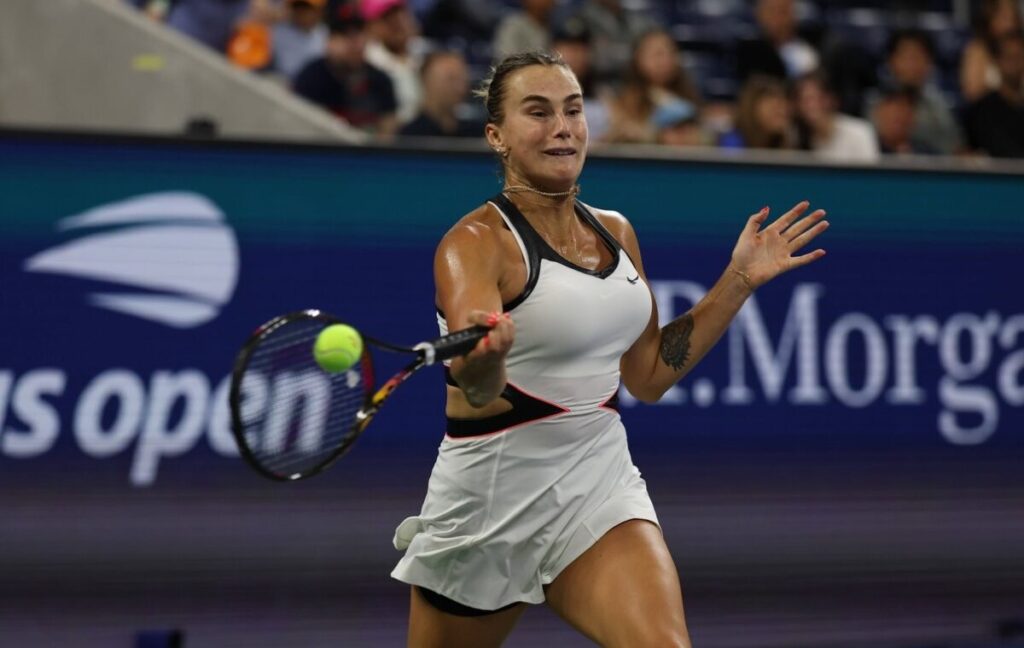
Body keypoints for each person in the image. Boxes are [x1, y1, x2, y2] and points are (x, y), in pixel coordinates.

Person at [391, 50, 829, 648]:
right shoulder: (473, 243)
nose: (562, 128)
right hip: (489, 503)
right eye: (538, 113)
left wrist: (738, 281)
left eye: (573, 111)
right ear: (497, 135)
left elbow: (648, 374)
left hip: (598, 485)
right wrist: (487, 356)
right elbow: (477, 384)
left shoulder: (615, 231)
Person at [293, 2, 398, 137]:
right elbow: (299, 128)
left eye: (360, 33)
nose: (355, 43)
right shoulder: (311, 77)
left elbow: (388, 133)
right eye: (346, 35)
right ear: (329, 41)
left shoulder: (380, 80)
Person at [869, 29, 962, 155]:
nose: (911, 64)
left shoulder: (939, 109)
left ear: (930, 63)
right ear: (891, 61)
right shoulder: (873, 103)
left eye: (918, 57)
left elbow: (953, 149)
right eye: (906, 57)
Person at [605, 28, 703, 144]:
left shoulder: (688, 98)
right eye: (657, 54)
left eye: (670, 53)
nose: (665, 60)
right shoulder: (624, 101)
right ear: (638, 58)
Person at [794, 70, 879, 162]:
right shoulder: (798, 138)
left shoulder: (860, 132)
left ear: (830, 99)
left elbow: (869, 169)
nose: (810, 106)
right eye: (803, 100)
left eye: (814, 98)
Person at [362, 0, 425, 125]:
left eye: (401, 15)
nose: (398, 23)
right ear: (369, 27)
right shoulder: (367, 60)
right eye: (387, 19)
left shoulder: (426, 52)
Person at [963, 31, 1024, 158]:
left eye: (1019, 57)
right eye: (1010, 58)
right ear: (997, 61)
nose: (1016, 64)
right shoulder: (981, 111)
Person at [400, 51, 483, 138]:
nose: (460, 88)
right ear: (427, 82)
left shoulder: (474, 133)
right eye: (451, 79)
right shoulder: (410, 135)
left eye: (463, 80)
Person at [736, 0, 820, 83]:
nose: (778, 18)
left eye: (783, 11)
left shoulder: (814, 40)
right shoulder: (750, 53)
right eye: (772, 11)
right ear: (759, 15)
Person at [960, 0, 1023, 103]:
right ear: (990, 18)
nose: (1010, 23)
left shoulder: (1020, 47)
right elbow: (972, 93)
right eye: (1004, 16)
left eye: (1013, 16)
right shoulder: (978, 50)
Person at [720, 75, 796, 150]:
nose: (782, 114)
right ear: (752, 110)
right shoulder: (732, 143)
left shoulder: (784, 141)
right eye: (774, 109)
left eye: (783, 109)